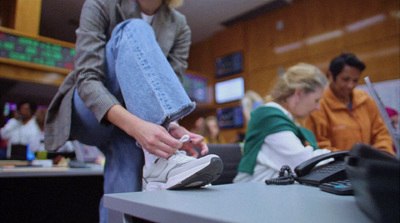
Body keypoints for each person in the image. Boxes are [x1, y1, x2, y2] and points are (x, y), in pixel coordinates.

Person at [44, 0, 222, 222]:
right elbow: (87, 79)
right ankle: (158, 161)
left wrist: (171, 127)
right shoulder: (101, 3)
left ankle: (157, 162)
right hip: (90, 112)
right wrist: (139, 127)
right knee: (134, 28)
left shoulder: (179, 25)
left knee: (124, 201)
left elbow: (165, 82)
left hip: (136, 121)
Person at [234, 63, 331, 182]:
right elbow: (303, 162)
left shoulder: (286, 119)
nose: (317, 107)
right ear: (298, 94)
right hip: (251, 195)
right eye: (316, 100)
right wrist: (338, 157)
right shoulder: (269, 117)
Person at [304, 53, 394, 155]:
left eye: (355, 80)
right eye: (345, 79)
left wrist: (383, 154)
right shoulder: (318, 104)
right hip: (338, 168)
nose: (350, 85)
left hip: (370, 166)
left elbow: (381, 132)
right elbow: (318, 145)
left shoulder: (365, 100)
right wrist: (352, 160)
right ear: (331, 76)